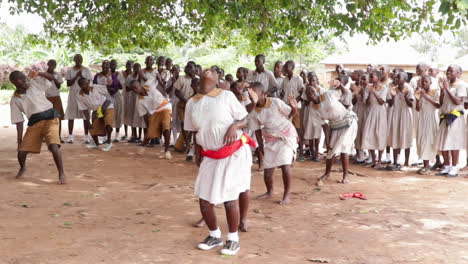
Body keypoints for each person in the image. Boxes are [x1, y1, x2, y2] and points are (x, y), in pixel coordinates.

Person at [185, 69, 255, 256]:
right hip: (210, 155)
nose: (209, 72)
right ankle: (214, 235)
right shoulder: (192, 102)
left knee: (229, 197)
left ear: (217, 80)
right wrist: (197, 151)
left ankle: (233, 239)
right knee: (204, 198)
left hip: (233, 153)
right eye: (206, 71)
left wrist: (234, 126)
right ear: (200, 79)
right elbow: (193, 130)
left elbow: (244, 119)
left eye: (213, 72)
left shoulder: (226, 95)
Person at [10, 70, 66, 184]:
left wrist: (39, 73)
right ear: (13, 82)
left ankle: (61, 173)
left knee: (54, 146)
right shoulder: (15, 99)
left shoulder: (34, 84)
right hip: (35, 123)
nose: (23, 79)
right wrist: (19, 141)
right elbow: (19, 121)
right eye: (19, 78)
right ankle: (23, 167)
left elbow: (51, 78)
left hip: (51, 118)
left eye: (23, 76)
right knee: (21, 153)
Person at [251, 82, 298, 205]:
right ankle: (269, 192)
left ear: (262, 94)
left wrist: (294, 108)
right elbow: (256, 131)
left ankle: (286, 195)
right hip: (271, 138)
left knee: (285, 164)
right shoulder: (253, 110)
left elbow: (290, 115)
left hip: (286, 136)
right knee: (268, 171)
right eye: (250, 93)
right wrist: (260, 148)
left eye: (254, 93)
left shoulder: (275, 102)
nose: (252, 96)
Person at [307, 84, 358, 186]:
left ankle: (345, 176)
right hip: (335, 126)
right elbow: (325, 126)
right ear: (306, 97)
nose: (311, 94)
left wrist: (340, 84)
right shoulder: (312, 109)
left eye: (312, 91)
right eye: (308, 93)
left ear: (317, 92)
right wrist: (327, 141)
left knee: (344, 148)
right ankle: (327, 173)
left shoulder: (328, 95)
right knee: (331, 151)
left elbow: (345, 92)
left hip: (348, 122)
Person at [436, 65, 467, 177]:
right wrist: (443, 89)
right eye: (447, 70)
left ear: (458, 73)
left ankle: (454, 167)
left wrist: (447, 89)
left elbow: (458, 102)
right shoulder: (446, 85)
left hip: (455, 117)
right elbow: (441, 103)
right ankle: (447, 166)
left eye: (451, 71)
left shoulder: (461, 85)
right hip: (445, 116)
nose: (448, 72)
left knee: (454, 143)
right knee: (444, 142)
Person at [132, 81, 173, 159]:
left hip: (165, 107)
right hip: (154, 113)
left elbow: (156, 77)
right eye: (133, 89)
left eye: (136, 87)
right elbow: (144, 116)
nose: (135, 90)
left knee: (166, 128)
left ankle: (167, 151)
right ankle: (143, 146)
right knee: (150, 134)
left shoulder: (149, 86)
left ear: (140, 85)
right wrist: (149, 126)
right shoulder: (139, 101)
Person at [77, 78, 114, 151]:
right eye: (84, 84)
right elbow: (84, 110)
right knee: (92, 128)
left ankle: (108, 142)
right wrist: (88, 122)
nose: (87, 85)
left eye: (87, 83)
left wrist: (109, 83)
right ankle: (96, 144)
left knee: (108, 123)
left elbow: (107, 88)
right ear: (80, 86)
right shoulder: (79, 95)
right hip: (98, 110)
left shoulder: (95, 87)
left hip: (107, 106)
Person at [386, 72, 414, 170]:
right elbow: (389, 104)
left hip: (405, 115)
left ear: (405, 80)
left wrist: (405, 96)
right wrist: (393, 96)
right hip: (396, 114)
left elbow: (411, 105)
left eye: (399, 77)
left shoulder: (409, 89)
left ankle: (406, 163)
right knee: (395, 136)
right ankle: (395, 161)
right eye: (396, 77)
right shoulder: (393, 89)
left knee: (406, 137)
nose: (396, 78)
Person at [361, 70, 388, 169]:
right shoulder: (367, 88)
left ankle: (380, 161)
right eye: (370, 77)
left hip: (380, 113)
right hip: (371, 112)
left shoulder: (384, 88)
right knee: (369, 134)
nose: (371, 78)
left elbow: (381, 102)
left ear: (378, 78)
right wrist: (369, 93)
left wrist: (374, 92)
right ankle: (373, 160)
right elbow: (366, 103)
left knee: (380, 135)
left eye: (372, 77)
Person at [64, 54, 93, 144]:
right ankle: (70, 136)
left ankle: (86, 136)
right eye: (77, 59)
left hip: (84, 94)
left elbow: (88, 83)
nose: (79, 60)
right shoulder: (70, 70)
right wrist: (76, 76)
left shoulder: (86, 70)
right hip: (73, 94)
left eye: (80, 59)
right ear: (74, 60)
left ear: (82, 60)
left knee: (85, 115)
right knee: (71, 114)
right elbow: (68, 84)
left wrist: (81, 76)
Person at [280, 60, 304, 161]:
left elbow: (302, 93)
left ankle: (301, 152)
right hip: (286, 108)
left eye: (287, 67)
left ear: (292, 68)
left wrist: (293, 102)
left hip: (296, 108)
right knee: (287, 129)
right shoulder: (284, 80)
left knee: (298, 128)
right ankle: (289, 150)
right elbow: (283, 92)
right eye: (284, 67)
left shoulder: (298, 78)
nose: (285, 69)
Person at [415, 75, 440, 174]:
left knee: (428, 140)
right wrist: (417, 99)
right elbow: (417, 108)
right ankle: (425, 165)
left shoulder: (435, 92)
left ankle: (427, 167)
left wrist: (427, 97)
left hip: (431, 119)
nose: (424, 83)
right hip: (422, 119)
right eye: (422, 82)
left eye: (426, 82)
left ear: (430, 83)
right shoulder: (420, 93)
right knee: (422, 140)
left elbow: (438, 105)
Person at [174, 63, 197, 159]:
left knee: (192, 125)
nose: (188, 69)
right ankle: (188, 144)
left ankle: (190, 144)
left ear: (195, 69)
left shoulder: (198, 79)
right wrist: (186, 101)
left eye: (191, 68)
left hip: (195, 105)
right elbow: (176, 92)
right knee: (184, 124)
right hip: (182, 105)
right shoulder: (181, 79)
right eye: (187, 67)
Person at [303, 72, 323, 162]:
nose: (312, 83)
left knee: (317, 134)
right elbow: (306, 102)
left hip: (318, 115)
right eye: (310, 81)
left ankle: (317, 153)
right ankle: (312, 153)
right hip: (309, 114)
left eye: (313, 81)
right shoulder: (306, 89)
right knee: (310, 134)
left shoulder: (320, 90)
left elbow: (322, 102)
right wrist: (309, 93)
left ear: (317, 81)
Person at [44, 59, 65, 143]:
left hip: (56, 97)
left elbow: (59, 86)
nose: (52, 65)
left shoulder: (58, 74)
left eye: (54, 64)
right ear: (48, 64)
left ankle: (58, 136)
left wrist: (54, 79)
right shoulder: (44, 74)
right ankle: (46, 136)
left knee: (57, 117)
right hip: (46, 98)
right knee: (46, 118)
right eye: (51, 64)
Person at [125, 63, 145, 143]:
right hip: (132, 98)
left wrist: (140, 78)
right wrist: (133, 87)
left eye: (138, 68)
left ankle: (140, 136)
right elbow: (126, 89)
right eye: (135, 68)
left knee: (139, 116)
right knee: (132, 116)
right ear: (133, 68)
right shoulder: (129, 77)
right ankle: (134, 135)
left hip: (139, 99)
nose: (137, 69)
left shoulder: (142, 77)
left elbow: (143, 86)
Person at [352, 73, 369, 163]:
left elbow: (366, 102)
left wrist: (362, 92)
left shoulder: (368, 89)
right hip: (356, 111)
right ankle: (359, 154)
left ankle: (367, 155)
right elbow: (354, 101)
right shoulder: (358, 88)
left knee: (364, 132)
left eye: (364, 79)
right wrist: (355, 94)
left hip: (365, 112)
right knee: (357, 132)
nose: (362, 81)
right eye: (361, 79)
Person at [109, 59, 124, 142]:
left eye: (114, 64)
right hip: (108, 95)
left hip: (117, 95)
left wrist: (116, 79)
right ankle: (107, 135)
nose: (113, 66)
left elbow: (121, 87)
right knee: (109, 114)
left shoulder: (119, 74)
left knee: (118, 114)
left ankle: (117, 135)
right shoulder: (107, 73)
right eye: (111, 64)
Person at [121, 60, 134, 140]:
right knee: (124, 113)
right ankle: (125, 133)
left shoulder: (134, 74)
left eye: (130, 64)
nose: (129, 66)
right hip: (124, 94)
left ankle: (132, 134)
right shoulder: (122, 73)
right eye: (127, 64)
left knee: (131, 113)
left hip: (132, 95)